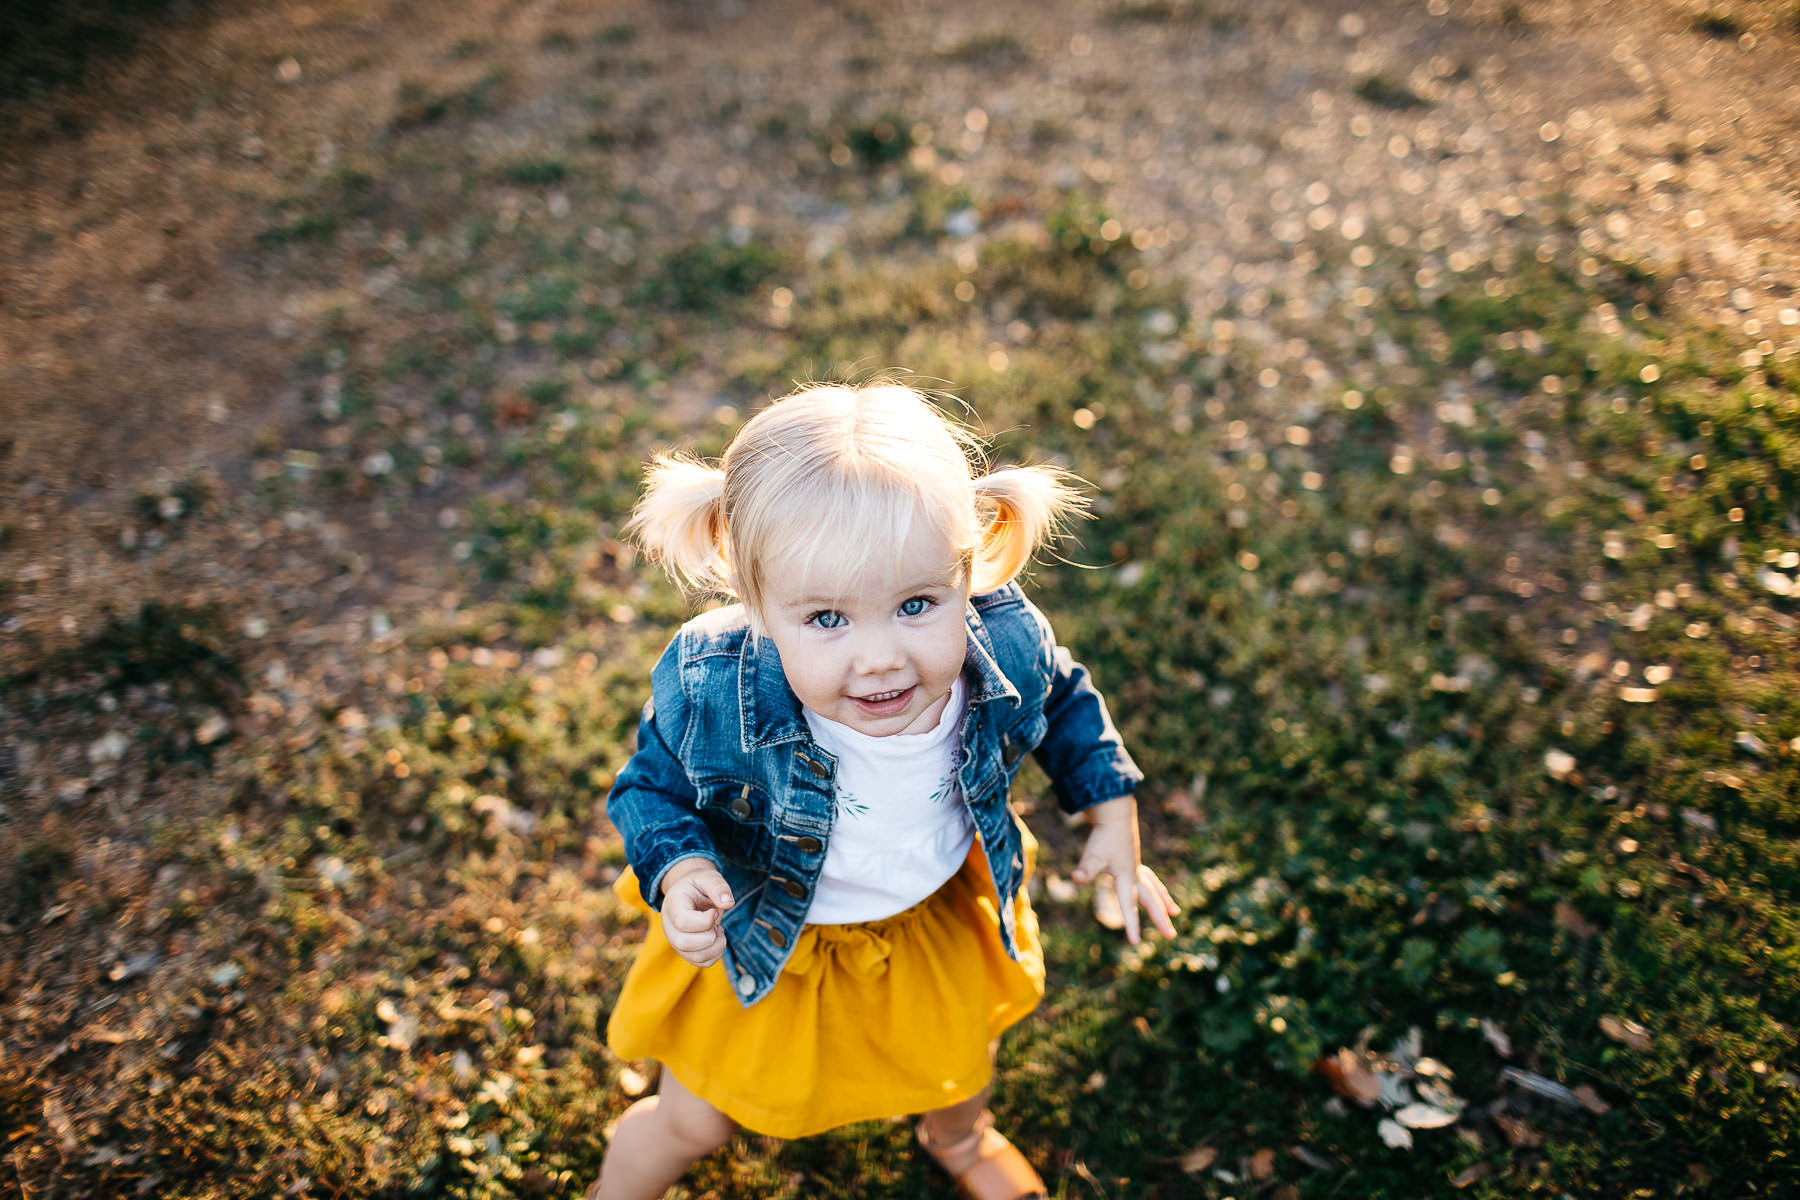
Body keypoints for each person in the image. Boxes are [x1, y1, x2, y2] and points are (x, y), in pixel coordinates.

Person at [589, 381, 1178, 1200]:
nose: (880, 659)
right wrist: (683, 869)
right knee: (696, 1116)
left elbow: (1066, 699)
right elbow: (649, 788)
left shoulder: (1002, 638)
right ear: (755, 603)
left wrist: (1112, 812)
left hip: (932, 918)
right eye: (827, 619)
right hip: (770, 934)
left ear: (967, 567)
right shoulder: (713, 683)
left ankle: (960, 1139)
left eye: (914, 604)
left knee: (955, 1070)